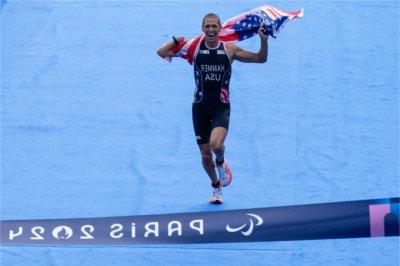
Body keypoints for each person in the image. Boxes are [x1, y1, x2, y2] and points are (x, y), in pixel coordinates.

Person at [157, 13, 269, 204]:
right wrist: (175, 40)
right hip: (199, 108)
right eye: (207, 27)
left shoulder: (229, 50)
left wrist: (263, 40)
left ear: (219, 28)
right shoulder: (193, 49)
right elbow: (161, 52)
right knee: (205, 154)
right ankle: (216, 186)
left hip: (220, 107)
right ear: (202, 28)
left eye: (213, 26)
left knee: (216, 145)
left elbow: (260, 58)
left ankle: (221, 161)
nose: (210, 30)